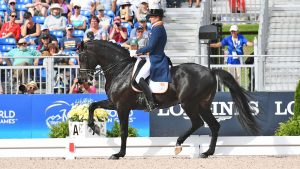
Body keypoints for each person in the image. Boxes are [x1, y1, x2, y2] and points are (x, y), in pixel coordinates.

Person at [135, 9, 170, 112]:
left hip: (155, 58)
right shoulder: (156, 28)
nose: (149, 18)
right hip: (153, 55)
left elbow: (151, 46)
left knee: (139, 78)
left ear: (157, 17)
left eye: (151, 17)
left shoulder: (158, 28)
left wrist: (137, 51)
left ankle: (151, 102)